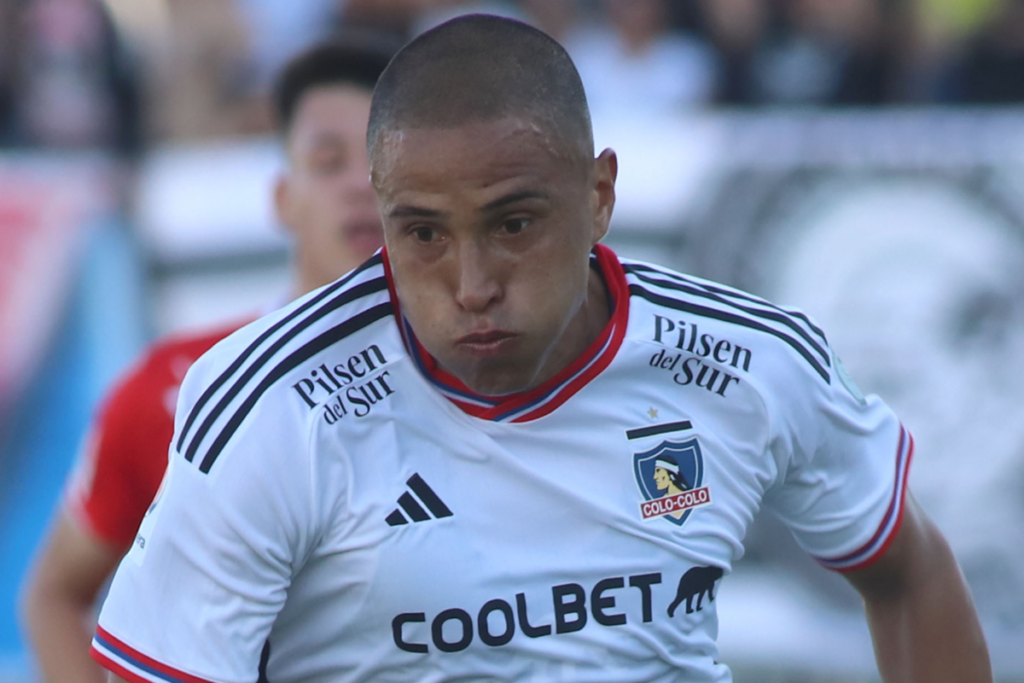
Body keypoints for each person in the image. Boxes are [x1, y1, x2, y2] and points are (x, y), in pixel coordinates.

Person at [90, 15, 990, 683]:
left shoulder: (751, 363)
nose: (471, 281)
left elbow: (909, 570)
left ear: (598, 194)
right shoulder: (274, 406)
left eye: (512, 222)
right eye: (424, 234)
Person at [18, 36, 393, 683]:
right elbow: (53, 596)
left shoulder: (486, 377)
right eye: (329, 162)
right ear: (282, 197)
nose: (360, 187)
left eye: (383, 165)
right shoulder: (179, 385)